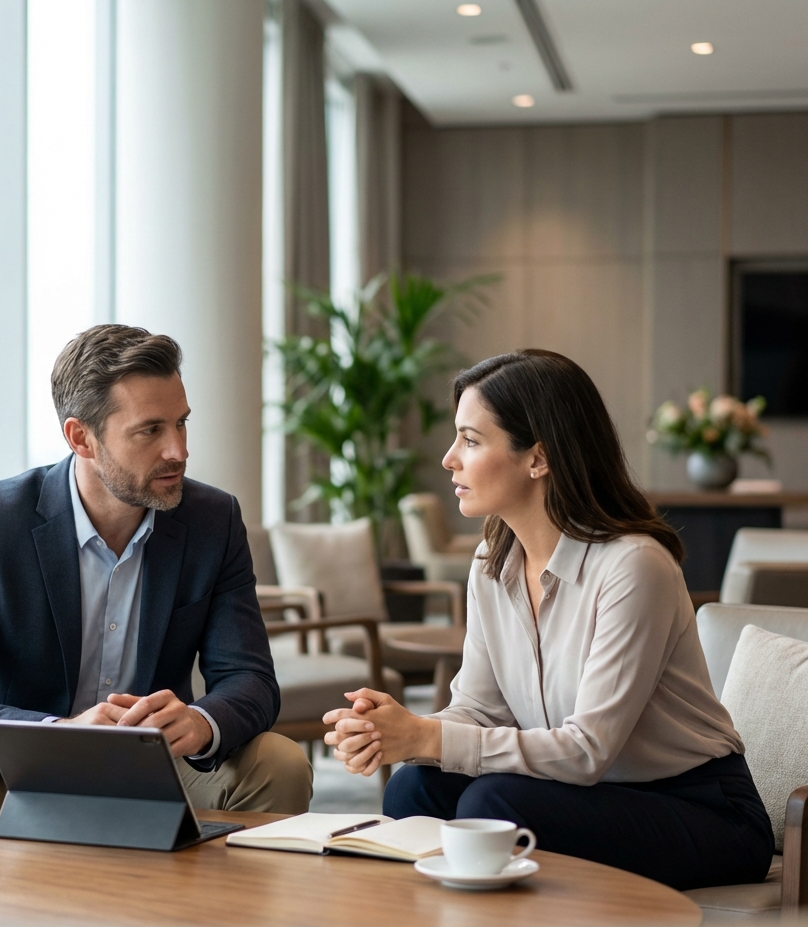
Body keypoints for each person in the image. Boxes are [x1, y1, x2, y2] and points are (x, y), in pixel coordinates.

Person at [324, 350, 772, 890]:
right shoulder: (492, 566)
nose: (448, 459)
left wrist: (427, 735)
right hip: (589, 792)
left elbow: (586, 751)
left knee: (492, 799)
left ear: (538, 458)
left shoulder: (633, 565)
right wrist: (395, 732)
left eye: (470, 440)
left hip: (699, 809)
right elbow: (480, 708)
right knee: (413, 789)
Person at [0, 324, 312, 814]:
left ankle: (220, 896)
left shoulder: (212, 520)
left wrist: (201, 722)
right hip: (17, 765)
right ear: (81, 438)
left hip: (156, 763)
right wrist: (60, 735)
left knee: (280, 761)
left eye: (181, 423)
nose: (178, 450)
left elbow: (251, 678)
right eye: (150, 430)